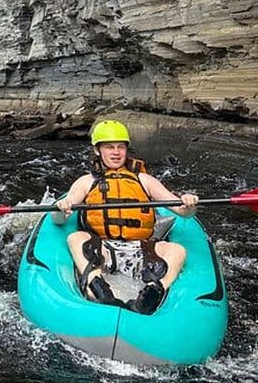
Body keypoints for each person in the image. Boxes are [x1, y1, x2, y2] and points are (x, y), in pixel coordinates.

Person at [54, 119, 199, 315]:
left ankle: (155, 291)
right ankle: (96, 285)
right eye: (109, 147)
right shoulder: (86, 182)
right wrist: (61, 209)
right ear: (97, 150)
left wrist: (189, 204)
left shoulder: (144, 180)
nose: (116, 152)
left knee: (177, 250)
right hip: (103, 249)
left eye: (121, 147)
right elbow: (58, 219)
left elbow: (183, 212)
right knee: (75, 237)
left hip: (141, 248)